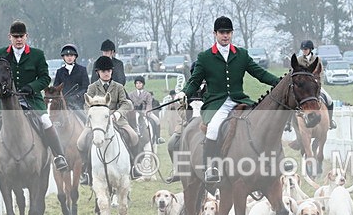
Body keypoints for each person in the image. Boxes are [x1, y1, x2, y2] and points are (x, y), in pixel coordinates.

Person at [175, 16, 281, 183]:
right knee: (213, 128)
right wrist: (184, 93)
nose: (225, 36)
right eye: (222, 32)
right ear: (215, 33)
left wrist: (280, 82)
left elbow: (260, 74)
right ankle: (211, 167)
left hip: (240, 100)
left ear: (232, 33)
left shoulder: (241, 54)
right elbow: (194, 81)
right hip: (216, 104)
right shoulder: (205, 57)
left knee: (261, 122)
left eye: (228, 32)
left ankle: (270, 161)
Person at [0, 20, 69, 181]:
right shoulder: (0, 53)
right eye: (15, 36)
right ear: (10, 37)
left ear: (27, 37)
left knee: (46, 121)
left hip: (31, 99)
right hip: (4, 101)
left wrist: (31, 87)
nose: (19, 39)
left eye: (21, 36)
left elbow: (45, 77)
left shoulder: (37, 54)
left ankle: (59, 156)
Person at [78, 55, 139, 185]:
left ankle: (133, 166)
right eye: (103, 71)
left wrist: (117, 114)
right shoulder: (92, 87)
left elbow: (126, 103)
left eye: (108, 71)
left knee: (134, 137)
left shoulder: (118, 87)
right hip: (97, 122)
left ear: (111, 71)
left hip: (117, 119)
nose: (106, 73)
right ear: (98, 72)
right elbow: (86, 105)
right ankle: (86, 170)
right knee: (81, 141)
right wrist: (92, 115)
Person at [296, 39, 336, 129]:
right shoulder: (299, 60)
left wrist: (317, 84)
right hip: (303, 87)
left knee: (329, 101)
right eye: (303, 50)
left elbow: (321, 72)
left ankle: (330, 121)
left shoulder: (317, 60)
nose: (304, 51)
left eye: (305, 49)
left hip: (315, 86)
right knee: (291, 101)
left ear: (310, 49)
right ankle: (288, 123)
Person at [53, 43, 89, 111]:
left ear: (75, 57)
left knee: (83, 119)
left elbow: (85, 87)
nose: (69, 57)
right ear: (63, 57)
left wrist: (77, 96)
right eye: (67, 55)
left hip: (77, 104)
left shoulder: (82, 70)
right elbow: (56, 87)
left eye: (71, 55)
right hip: (63, 104)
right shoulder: (59, 72)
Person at [129, 76, 163, 145]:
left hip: (145, 112)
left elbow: (149, 104)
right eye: (137, 83)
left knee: (157, 120)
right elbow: (129, 104)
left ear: (143, 84)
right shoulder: (131, 94)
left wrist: (146, 111)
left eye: (140, 83)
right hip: (135, 112)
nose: (138, 84)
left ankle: (158, 138)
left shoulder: (148, 94)